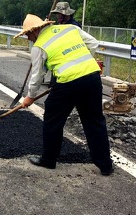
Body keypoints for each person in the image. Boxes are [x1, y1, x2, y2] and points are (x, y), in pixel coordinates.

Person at [20, 13, 113, 176]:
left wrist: (30, 97)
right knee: (94, 121)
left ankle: (48, 160)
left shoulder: (39, 46)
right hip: (92, 77)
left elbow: (37, 76)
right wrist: (82, 63)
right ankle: (105, 165)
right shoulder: (70, 29)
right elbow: (93, 43)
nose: (28, 38)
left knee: (52, 118)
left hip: (69, 84)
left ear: (35, 31)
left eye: (27, 34)